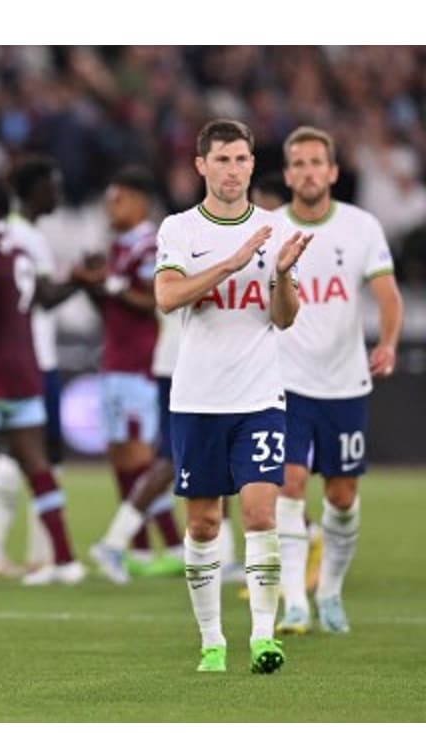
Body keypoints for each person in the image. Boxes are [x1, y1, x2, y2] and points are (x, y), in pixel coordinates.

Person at [153, 118, 312, 674]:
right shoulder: (180, 229)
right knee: (202, 525)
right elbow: (169, 296)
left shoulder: (274, 229)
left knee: (260, 512)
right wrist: (229, 264)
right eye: (221, 160)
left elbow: (284, 320)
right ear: (201, 165)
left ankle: (264, 637)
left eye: (241, 160)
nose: (232, 170)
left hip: (259, 396)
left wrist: (284, 277)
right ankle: (211, 639)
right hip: (197, 398)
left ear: (251, 165)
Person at [273, 126, 403, 635]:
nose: (308, 172)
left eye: (316, 163)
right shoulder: (271, 229)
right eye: (298, 163)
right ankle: (295, 602)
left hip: (345, 382)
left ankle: (329, 591)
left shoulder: (361, 227)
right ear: (287, 175)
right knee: (289, 483)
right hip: (285, 381)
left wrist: (388, 341)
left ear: (332, 172)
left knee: (342, 496)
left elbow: (388, 296)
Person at [0, 178, 85, 586]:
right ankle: (64, 560)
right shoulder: (20, 247)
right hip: (27, 370)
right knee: (36, 464)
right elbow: (43, 297)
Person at [78, 166, 186, 584]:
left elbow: (154, 302)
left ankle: (168, 546)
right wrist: (94, 284)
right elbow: (112, 305)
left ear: (139, 202)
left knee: (147, 460)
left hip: (144, 364)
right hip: (116, 361)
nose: (110, 207)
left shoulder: (151, 246)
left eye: (117, 200)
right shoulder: (120, 248)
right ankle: (140, 549)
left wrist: (111, 284)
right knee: (123, 458)